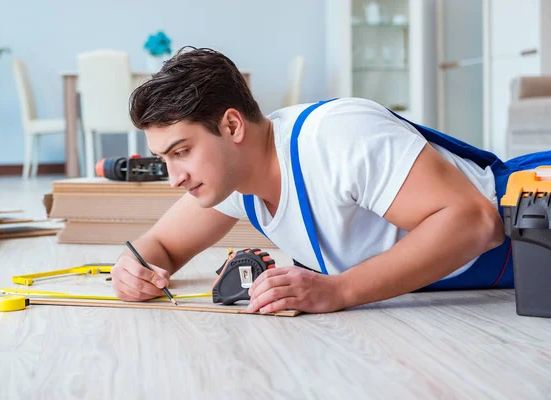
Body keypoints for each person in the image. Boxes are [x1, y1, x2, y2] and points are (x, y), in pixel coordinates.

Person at [109, 47, 550, 314]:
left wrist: (338, 290)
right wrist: (134, 270)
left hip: (535, 227)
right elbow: (159, 248)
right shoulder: (234, 178)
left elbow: (477, 222)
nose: (174, 177)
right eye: (164, 158)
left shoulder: (336, 137)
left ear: (231, 126)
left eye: (182, 151)